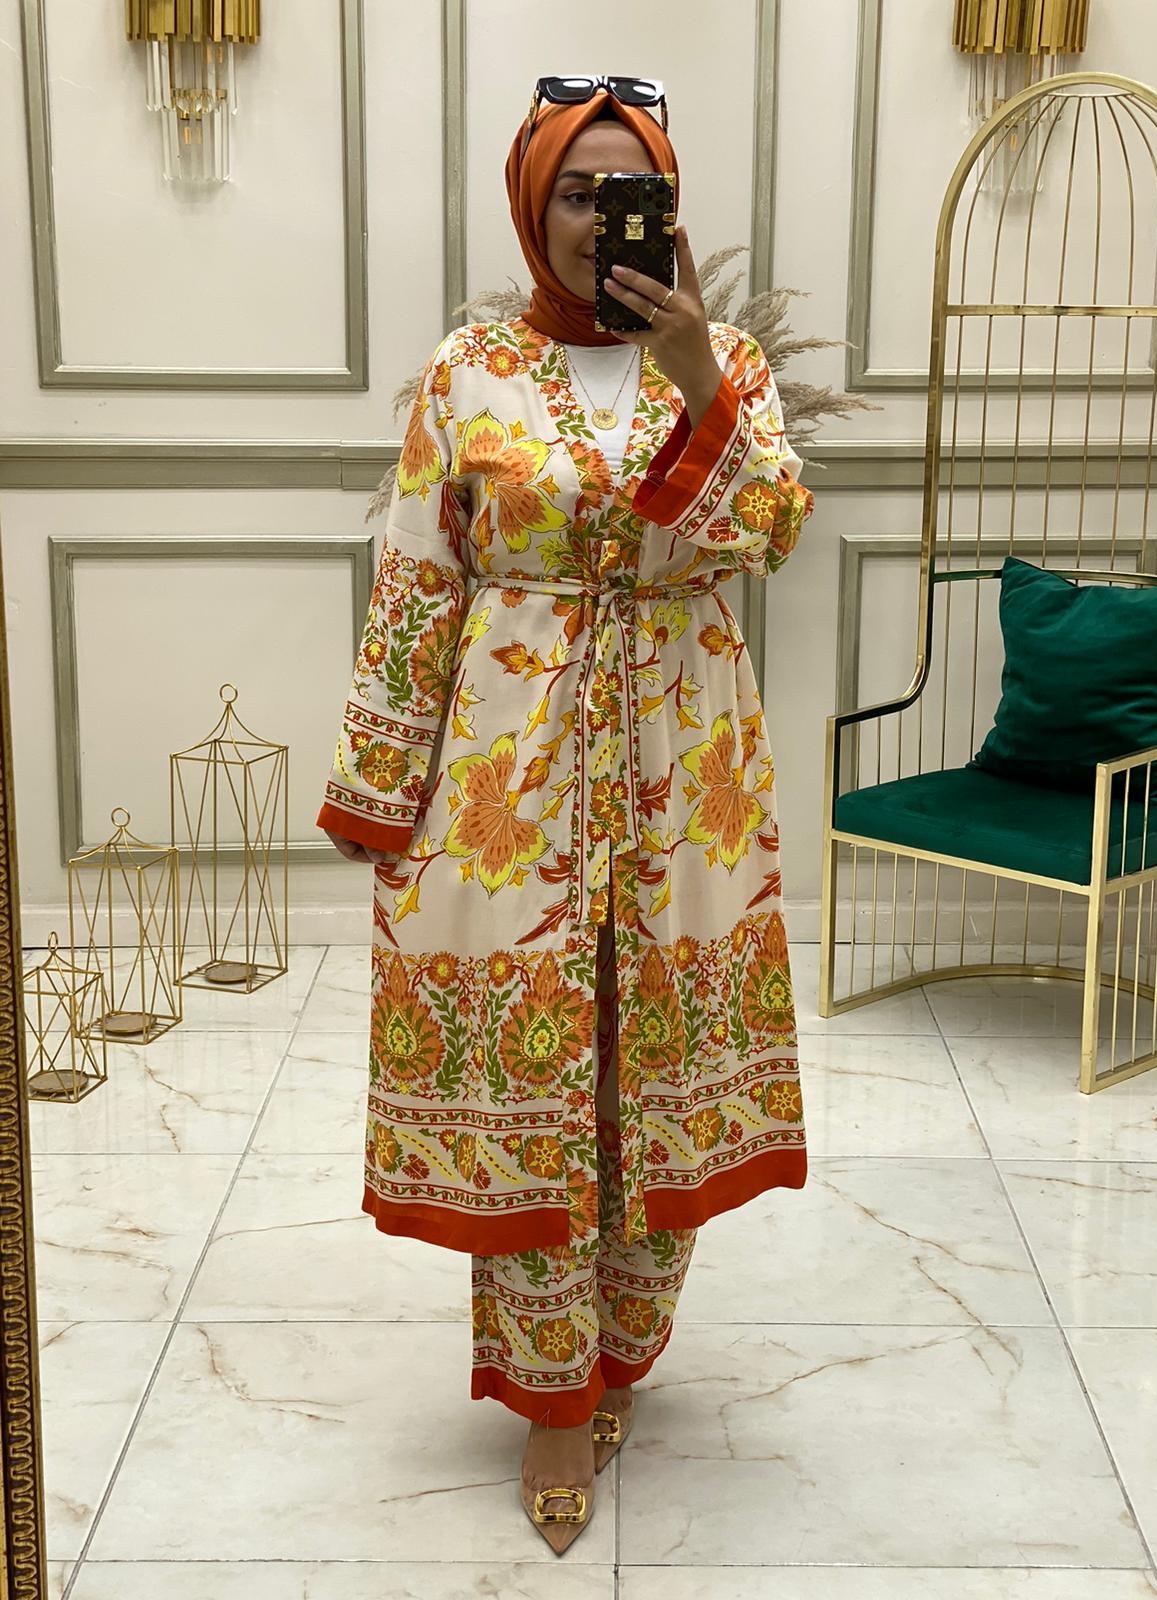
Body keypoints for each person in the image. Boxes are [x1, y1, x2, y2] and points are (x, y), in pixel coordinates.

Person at [316, 74, 815, 1554]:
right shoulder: (466, 371)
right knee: (530, 1090)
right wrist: (383, 791)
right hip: (509, 775)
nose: (601, 217)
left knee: (656, 1071)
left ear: (669, 204)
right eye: (577, 190)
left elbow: (771, 528)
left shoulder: (723, 367)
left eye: (626, 189)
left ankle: (624, 1352)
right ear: (534, 201)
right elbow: (419, 576)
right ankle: (549, 1398)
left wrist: (701, 375)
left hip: (683, 770)